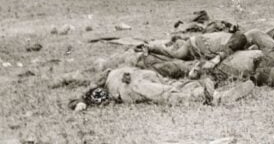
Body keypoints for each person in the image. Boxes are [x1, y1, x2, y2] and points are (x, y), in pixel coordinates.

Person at [69, 66, 255, 110]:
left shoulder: (112, 70)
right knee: (166, 92)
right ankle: (217, 97)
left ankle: (210, 92)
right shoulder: (103, 82)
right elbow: (84, 96)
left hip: (142, 74)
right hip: (131, 85)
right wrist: (80, 102)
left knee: (172, 85)